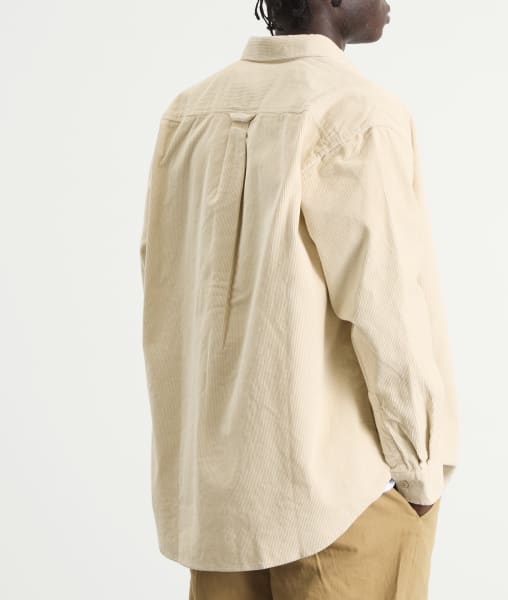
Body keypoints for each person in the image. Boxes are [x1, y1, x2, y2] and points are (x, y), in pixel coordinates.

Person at [139, 1, 460, 598]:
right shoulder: (357, 113)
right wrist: (418, 471)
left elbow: (164, 295)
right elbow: (387, 306)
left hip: (221, 509)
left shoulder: (187, 114)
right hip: (345, 503)